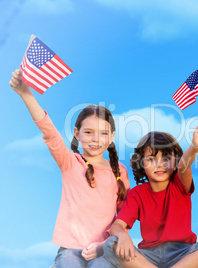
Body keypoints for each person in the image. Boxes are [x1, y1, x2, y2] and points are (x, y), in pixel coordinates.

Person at [9, 69, 130, 267]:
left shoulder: (119, 171)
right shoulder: (70, 162)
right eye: (89, 132)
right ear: (77, 133)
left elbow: (125, 216)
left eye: (103, 133)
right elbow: (49, 131)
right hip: (70, 250)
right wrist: (26, 93)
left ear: (112, 136)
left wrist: (104, 245)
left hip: (104, 250)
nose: (95, 139)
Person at [101, 127, 198, 268]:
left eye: (166, 159)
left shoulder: (179, 184)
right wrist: (122, 236)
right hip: (148, 256)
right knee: (111, 244)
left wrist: (194, 146)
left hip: (182, 253)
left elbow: (185, 166)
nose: (159, 165)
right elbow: (118, 225)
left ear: (176, 162)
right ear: (141, 163)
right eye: (151, 159)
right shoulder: (137, 193)